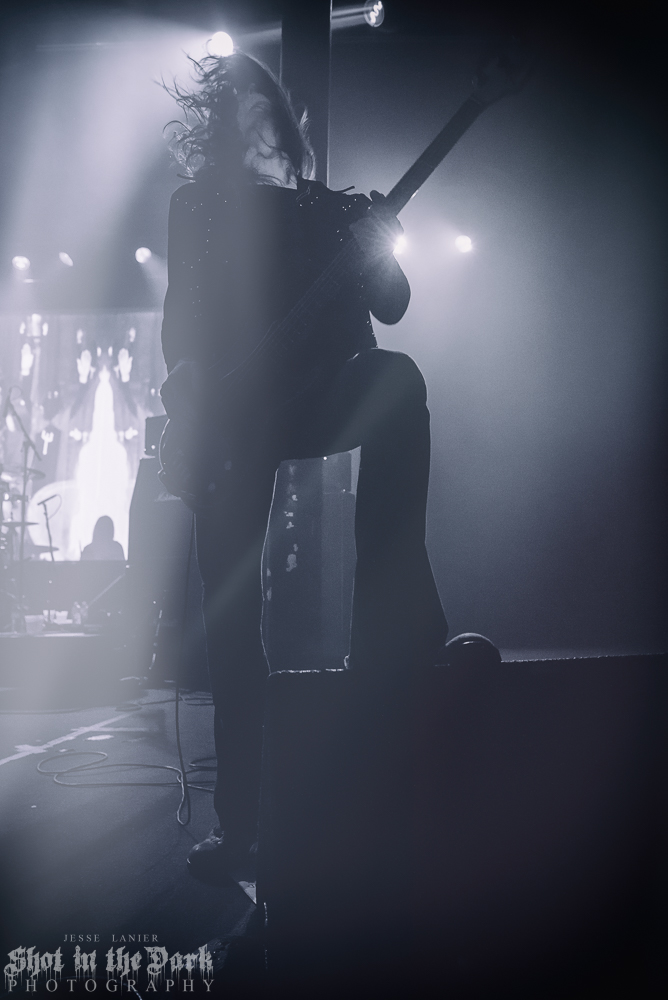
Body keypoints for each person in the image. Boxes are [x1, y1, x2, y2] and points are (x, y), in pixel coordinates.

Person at [159, 52, 448, 876]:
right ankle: (238, 825)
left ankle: (389, 619)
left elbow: (391, 307)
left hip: (323, 394)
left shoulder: (333, 208)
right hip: (235, 421)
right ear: (220, 132)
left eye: (269, 116)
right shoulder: (198, 208)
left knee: (397, 378)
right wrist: (191, 398)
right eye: (239, 114)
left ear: (287, 132)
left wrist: (377, 247)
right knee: (230, 618)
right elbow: (182, 324)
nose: (258, 129)